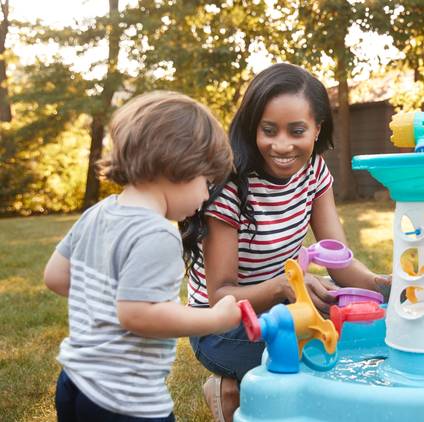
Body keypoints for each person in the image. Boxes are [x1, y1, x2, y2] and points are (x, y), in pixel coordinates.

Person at [180, 63, 390, 422]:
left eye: (296, 131)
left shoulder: (314, 172)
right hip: (222, 325)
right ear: (252, 128)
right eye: (268, 130)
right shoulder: (229, 187)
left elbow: (338, 262)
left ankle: (243, 382)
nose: (282, 145)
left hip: (286, 311)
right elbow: (220, 296)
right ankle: (230, 388)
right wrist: (284, 287)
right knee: (319, 354)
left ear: (316, 129)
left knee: (366, 333)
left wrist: (387, 286)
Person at [43, 91, 242, 421]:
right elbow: (140, 315)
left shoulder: (99, 212)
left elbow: (56, 276)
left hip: (75, 382)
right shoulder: (158, 233)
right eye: (206, 182)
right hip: (125, 399)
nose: (207, 195)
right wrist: (216, 319)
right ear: (177, 166)